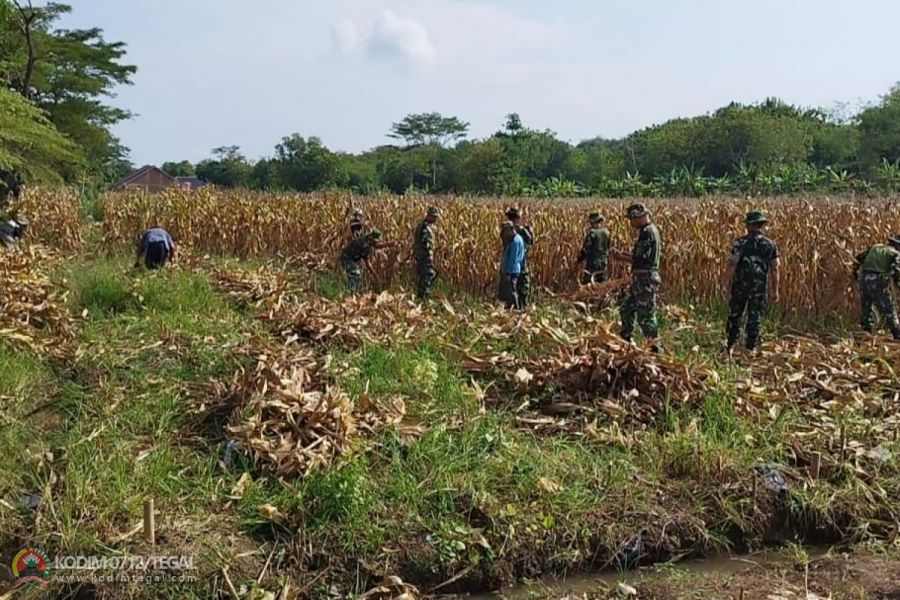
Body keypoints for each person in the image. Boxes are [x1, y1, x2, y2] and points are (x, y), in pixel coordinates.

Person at [722, 211, 781, 355]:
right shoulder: (770, 244)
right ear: (761, 225)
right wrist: (775, 290)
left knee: (735, 314)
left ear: (748, 225)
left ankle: (730, 345)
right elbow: (775, 268)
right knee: (755, 316)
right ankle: (750, 348)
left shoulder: (740, 243)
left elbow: (732, 264)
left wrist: (725, 284)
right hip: (759, 287)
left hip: (740, 286)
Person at [612, 203, 662, 353]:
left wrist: (621, 257)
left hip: (646, 279)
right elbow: (638, 256)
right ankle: (626, 342)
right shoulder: (646, 231)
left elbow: (641, 260)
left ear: (639, 217)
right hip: (639, 280)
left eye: (631, 219)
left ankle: (654, 349)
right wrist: (623, 254)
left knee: (645, 315)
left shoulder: (648, 232)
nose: (631, 223)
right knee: (626, 309)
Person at [853, 235, 900, 340]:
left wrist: (856, 275)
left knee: (866, 306)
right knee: (888, 307)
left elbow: (858, 259)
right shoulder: (895, 253)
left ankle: (865, 332)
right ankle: (897, 333)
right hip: (877, 280)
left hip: (864, 278)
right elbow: (895, 271)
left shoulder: (875, 247)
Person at [505, 207, 534, 308]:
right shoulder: (519, 230)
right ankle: (521, 307)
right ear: (517, 218)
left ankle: (516, 308)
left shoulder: (507, 230)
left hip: (511, 264)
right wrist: (528, 230)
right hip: (519, 262)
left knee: (513, 288)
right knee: (522, 286)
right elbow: (531, 240)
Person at [340, 229, 384, 294]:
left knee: (356, 274)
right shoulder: (365, 246)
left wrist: (390, 244)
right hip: (346, 259)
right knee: (356, 274)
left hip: (347, 258)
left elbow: (377, 246)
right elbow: (368, 264)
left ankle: (350, 291)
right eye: (375, 242)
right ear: (372, 239)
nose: (375, 243)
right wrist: (376, 276)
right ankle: (350, 292)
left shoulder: (364, 239)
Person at [413, 207, 440, 301]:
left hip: (420, 254)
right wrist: (429, 254)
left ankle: (420, 296)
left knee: (423, 275)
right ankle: (424, 294)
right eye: (434, 217)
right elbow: (425, 242)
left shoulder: (421, 224)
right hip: (424, 255)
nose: (436, 219)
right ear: (429, 216)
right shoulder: (424, 227)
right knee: (430, 273)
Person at [577, 211, 611, 285]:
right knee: (602, 284)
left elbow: (585, 249)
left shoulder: (592, 233)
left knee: (589, 284)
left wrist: (579, 259)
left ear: (592, 222)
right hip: (603, 262)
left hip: (593, 263)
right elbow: (609, 248)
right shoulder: (607, 232)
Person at [498, 221, 525, 310]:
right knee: (509, 291)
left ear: (511, 229)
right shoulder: (516, 239)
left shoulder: (515, 241)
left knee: (512, 291)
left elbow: (513, 259)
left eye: (506, 230)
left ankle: (516, 309)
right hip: (513, 269)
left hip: (512, 270)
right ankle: (511, 308)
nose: (505, 232)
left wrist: (507, 273)